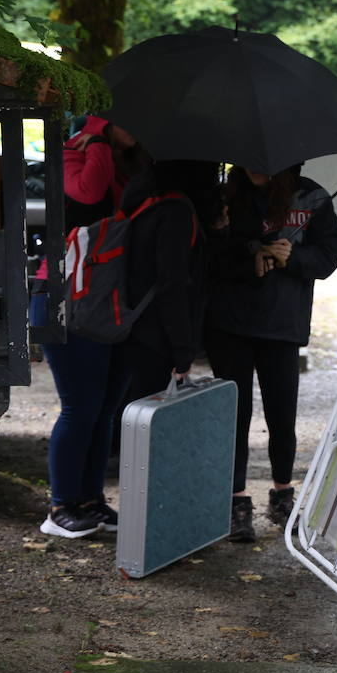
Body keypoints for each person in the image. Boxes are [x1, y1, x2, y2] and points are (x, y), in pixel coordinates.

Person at [204, 164, 337, 543]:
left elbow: (328, 256)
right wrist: (251, 256)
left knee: (282, 413)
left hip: (283, 324)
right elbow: (208, 258)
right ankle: (235, 501)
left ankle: (283, 494)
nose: (254, 166)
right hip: (229, 323)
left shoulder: (311, 197)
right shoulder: (224, 195)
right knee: (234, 415)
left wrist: (292, 258)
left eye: (263, 160)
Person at [31, 117, 146, 538]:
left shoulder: (129, 164)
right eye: (129, 117)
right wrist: (97, 138)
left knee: (103, 409)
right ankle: (60, 506)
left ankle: (90, 500)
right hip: (65, 296)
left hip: (104, 299)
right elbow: (89, 192)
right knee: (80, 407)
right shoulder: (74, 153)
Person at [117, 159, 221, 417]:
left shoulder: (145, 202)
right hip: (155, 335)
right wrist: (182, 351)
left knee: (124, 414)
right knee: (146, 419)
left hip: (129, 323)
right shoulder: (177, 212)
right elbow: (172, 284)